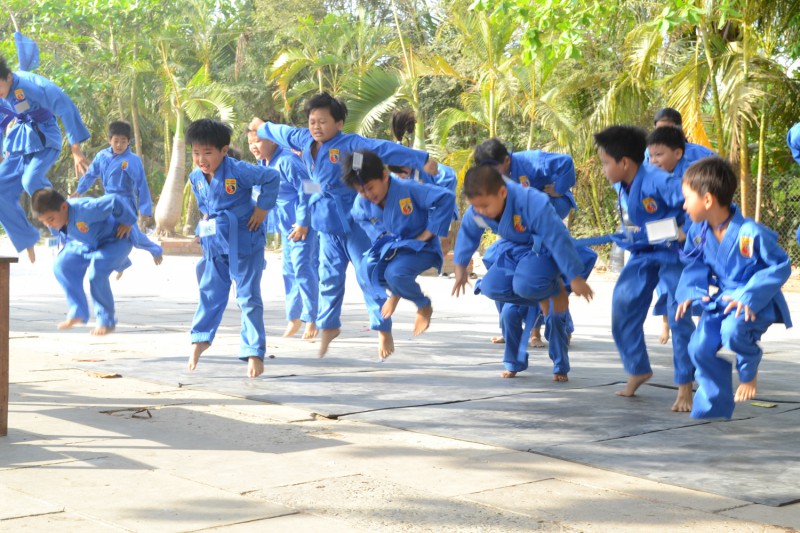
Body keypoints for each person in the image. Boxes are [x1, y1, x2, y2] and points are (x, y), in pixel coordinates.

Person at [251, 92, 438, 359]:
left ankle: (382, 327)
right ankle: (329, 326)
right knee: (329, 278)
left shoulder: (351, 144)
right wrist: (263, 127)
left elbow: (383, 149)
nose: (316, 126)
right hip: (326, 223)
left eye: (323, 121)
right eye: (312, 121)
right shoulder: (304, 140)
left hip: (355, 222)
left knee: (367, 275)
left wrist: (420, 158)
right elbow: (283, 132)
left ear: (338, 123)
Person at [451, 163, 595, 381]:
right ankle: (514, 362)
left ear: (501, 192)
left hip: (545, 252)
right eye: (475, 206)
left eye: (484, 205)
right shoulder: (478, 209)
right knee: (496, 294)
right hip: (515, 254)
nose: (479, 211)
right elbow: (468, 233)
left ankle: (560, 365)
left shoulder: (532, 201)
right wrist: (460, 266)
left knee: (555, 315)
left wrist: (574, 276)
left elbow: (557, 237)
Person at [676, 157, 792, 419]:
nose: (683, 205)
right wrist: (691, 290)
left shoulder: (750, 232)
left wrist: (749, 296)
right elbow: (693, 264)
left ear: (707, 200)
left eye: (687, 198)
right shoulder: (698, 231)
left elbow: (781, 265)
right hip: (723, 299)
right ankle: (715, 402)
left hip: (752, 300)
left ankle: (748, 371)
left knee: (733, 330)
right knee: (699, 346)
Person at [594, 125, 696, 411]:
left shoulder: (660, 180)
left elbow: (694, 203)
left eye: (605, 163)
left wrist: (684, 232)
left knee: (679, 317)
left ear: (624, 162)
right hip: (644, 250)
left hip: (674, 254)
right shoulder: (625, 182)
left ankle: (685, 386)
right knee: (623, 307)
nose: (603, 170)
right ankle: (638, 369)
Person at [186, 119, 279, 378]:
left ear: (223, 151)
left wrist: (262, 209)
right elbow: (206, 209)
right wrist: (201, 230)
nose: (201, 159)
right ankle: (200, 340)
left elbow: (271, 177)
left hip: (245, 241)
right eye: (195, 153)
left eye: (207, 153)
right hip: (216, 243)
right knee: (210, 292)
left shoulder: (239, 171)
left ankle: (253, 352)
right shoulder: (196, 177)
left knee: (248, 297)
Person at [472, 138, 578, 348]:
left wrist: (559, 187)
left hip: (553, 205)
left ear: (506, 160)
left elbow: (566, 162)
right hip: (520, 225)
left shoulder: (532, 160)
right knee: (497, 262)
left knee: (538, 270)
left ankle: (553, 328)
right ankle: (510, 327)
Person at [345, 150, 455, 336]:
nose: (367, 194)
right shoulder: (361, 202)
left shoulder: (409, 188)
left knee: (395, 274)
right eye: (361, 190)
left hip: (422, 248)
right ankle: (397, 292)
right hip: (393, 248)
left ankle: (423, 305)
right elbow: (359, 217)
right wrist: (380, 235)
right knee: (367, 270)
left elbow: (446, 198)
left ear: (384, 176)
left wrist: (431, 231)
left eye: (370, 188)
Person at [0, 56, 91, 263]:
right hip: (21, 139)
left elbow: (64, 105)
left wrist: (75, 148)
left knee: (30, 181)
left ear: (8, 76)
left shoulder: (30, 85)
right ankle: (26, 237)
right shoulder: (5, 90)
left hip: (44, 137)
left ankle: (69, 226)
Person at [31, 188, 145, 335]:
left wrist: (128, 221)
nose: (49, 225)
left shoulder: (86, 209)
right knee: (61, 265)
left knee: (96, 273)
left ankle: (106, 321)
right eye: (44, 222)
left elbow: (114, 199)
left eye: (51, 219)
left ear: (64, 207)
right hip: (90, 244)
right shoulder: (63, 218)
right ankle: (78, 311)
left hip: (117, 240)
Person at [246, 120, 319, 340]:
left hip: (302, 225)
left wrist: (304, 221)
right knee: (289, 271)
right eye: (250, 143)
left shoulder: (288, 161)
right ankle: (294, 317)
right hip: (286, 227)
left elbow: (311, 188)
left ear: (273, 139)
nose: (254, 147)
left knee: (303, 268)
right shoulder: (264, 165)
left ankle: (312, 318)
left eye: (258, 141)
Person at [646, 121, 715, 343]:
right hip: (672, 246)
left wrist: (686, 230)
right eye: (650, 155)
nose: (653, 160)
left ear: (678, 153)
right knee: (676, 304)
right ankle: (685, 373)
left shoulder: (696, 171)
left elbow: (710, 206)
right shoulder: (648, 175)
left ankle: (706, 347)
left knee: (705, 300)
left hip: (703, 243)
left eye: (659, 155)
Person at [73, 120, 163, 267]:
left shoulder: (133, 160)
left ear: (129, 142)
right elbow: (90, 174)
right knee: (102, 230)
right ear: (109, 140)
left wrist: (145, 209)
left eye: (123, 141)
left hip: (126, 202)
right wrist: (79, 190)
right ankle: (121, 262)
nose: (119, 145)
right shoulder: (101, 156)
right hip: (107, 200)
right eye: (116, 141)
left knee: (132, 235)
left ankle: (155, 249)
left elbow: (141, 184)